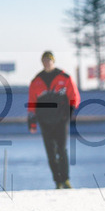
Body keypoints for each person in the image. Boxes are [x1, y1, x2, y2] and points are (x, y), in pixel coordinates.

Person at [27, 51, 80, 188]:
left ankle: (66, 179)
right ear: (42, 62)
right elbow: (32, 102)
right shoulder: (36, 81)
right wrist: (32, 122)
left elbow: (74, 96)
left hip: (60, 120)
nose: (47, 63)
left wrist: (68, 113)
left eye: (49, 60)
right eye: (44, 60)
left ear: (53, 61)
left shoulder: (64, 77)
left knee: (61, 150)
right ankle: (57, 181)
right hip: (44, 121)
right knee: (50, 152)